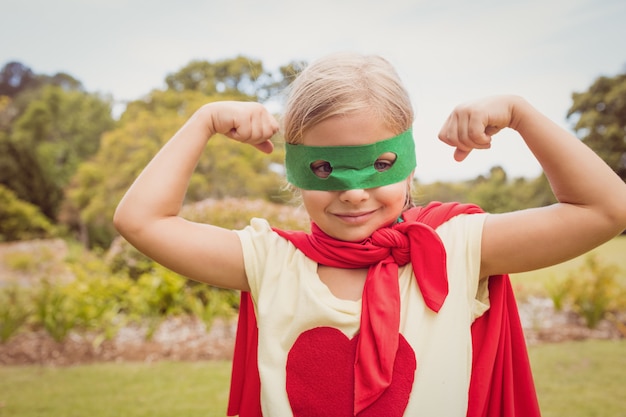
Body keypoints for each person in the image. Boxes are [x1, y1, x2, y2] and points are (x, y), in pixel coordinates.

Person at [113, 53, 626, 416]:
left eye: (380, 164)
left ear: (409, 167)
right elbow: (142, 221)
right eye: (323, 166)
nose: (355, 192)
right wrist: (202, 121)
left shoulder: (458, 249)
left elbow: (606, 208)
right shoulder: (270, 263)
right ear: (292, 171)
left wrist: (521, 113)